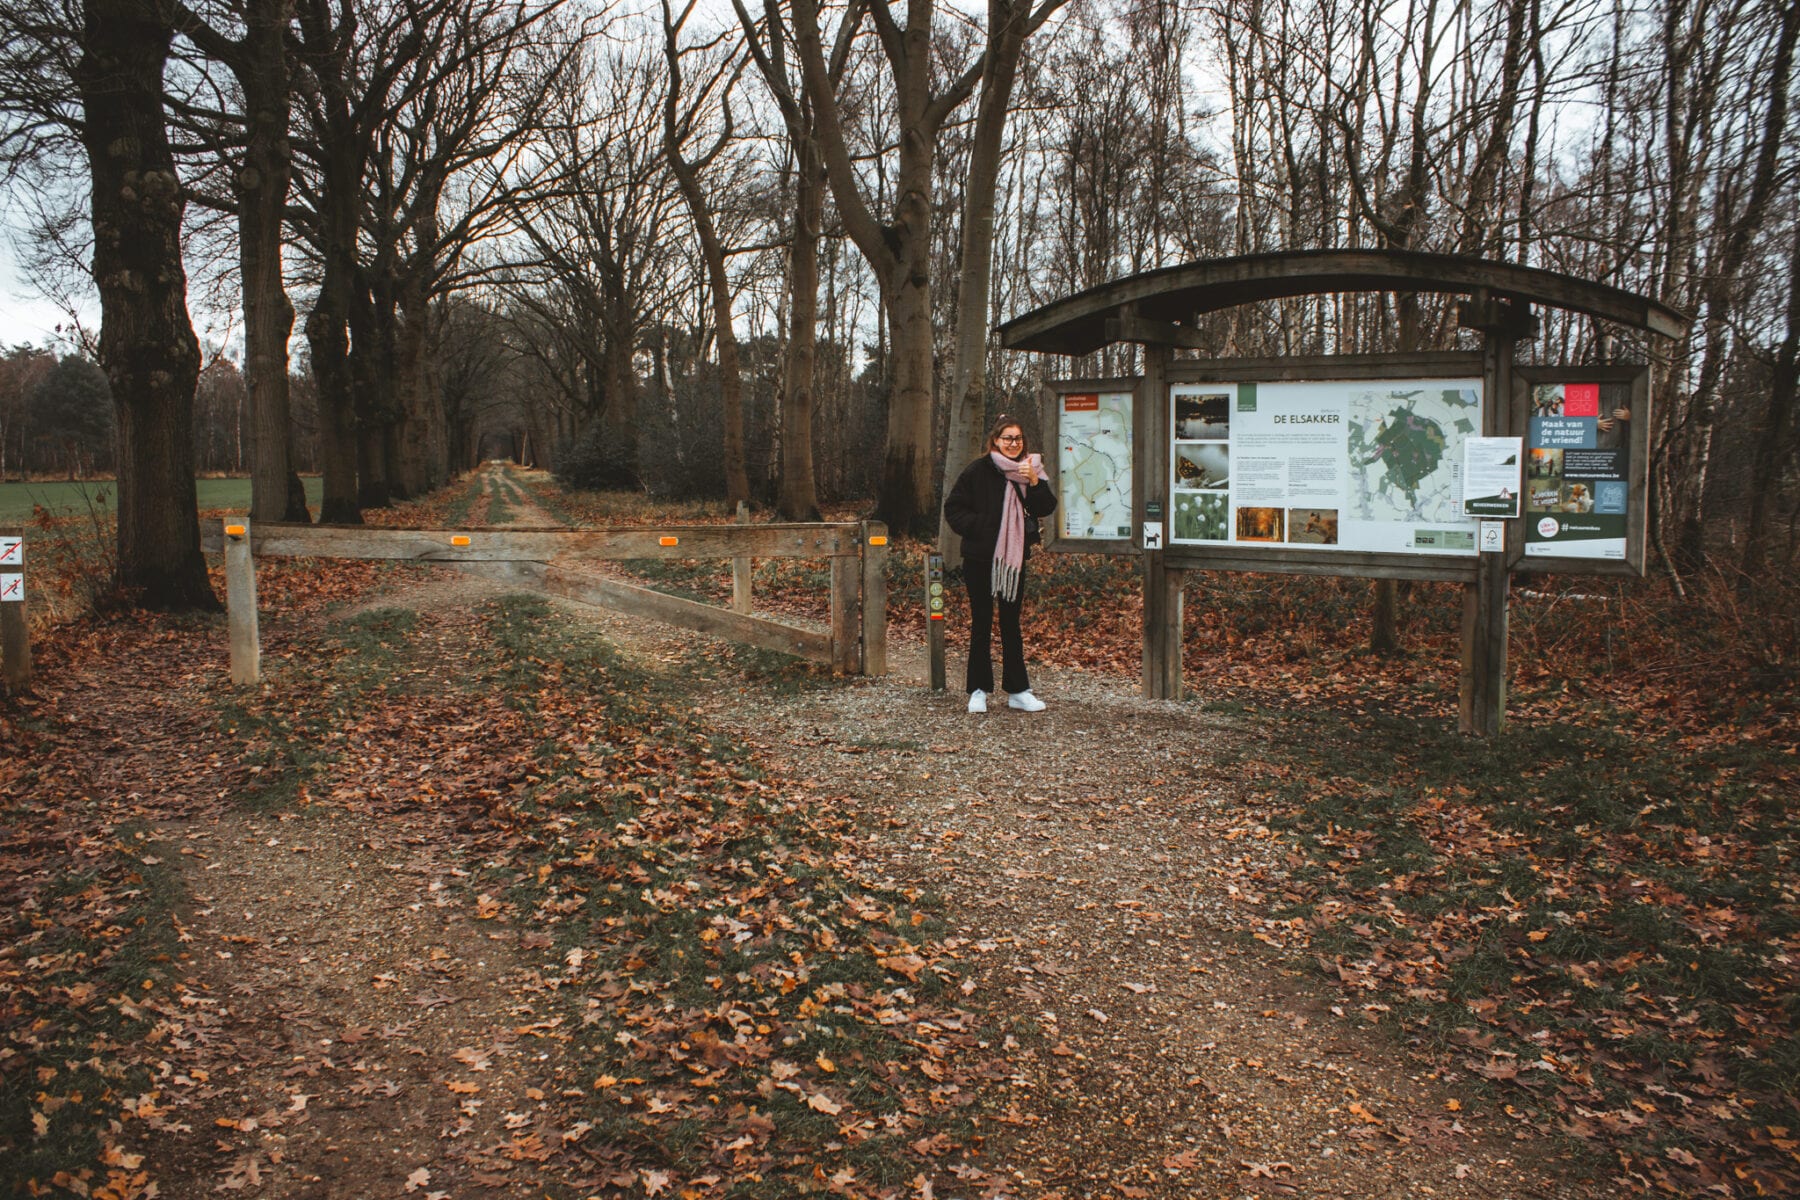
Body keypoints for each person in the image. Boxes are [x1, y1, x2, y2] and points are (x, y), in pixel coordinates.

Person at [943, 416, 1058, 714]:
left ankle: (1018, 691)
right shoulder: (977, 471)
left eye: (1017, 438)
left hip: (1014, 561)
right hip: (980, 559)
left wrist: (1034, 482)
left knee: (1011, 624)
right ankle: (978, 690)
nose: (1013, 443)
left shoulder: (1031, 469)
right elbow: (953, 508)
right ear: (995, 440)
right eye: (1007, 438)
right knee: (981, 622)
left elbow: (1046, 507)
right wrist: (980, 526)